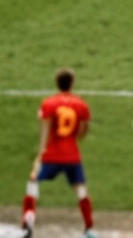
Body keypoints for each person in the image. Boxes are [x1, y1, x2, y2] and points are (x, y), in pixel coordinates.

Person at [20, 68, 94, 238]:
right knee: (81, 190)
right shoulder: (81, 104)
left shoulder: (48, 103)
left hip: (51, 155)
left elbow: (44, 129)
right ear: (72, 83)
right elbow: (83, 130)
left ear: (57, 83)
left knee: (33, 181)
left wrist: (40, 155)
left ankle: (29, 219)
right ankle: (88, 228)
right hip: (72, 155)